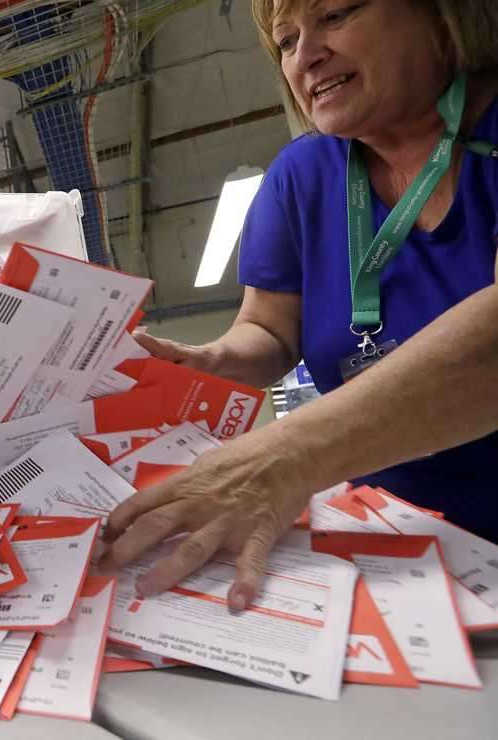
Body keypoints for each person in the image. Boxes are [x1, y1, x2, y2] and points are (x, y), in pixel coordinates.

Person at [101, 0, 498, 610]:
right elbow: (267, 331)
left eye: (336, 15)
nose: (306, 55)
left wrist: (282, 458)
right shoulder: (301, 176)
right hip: (399, 539)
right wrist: (205, 362)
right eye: (285, 43)